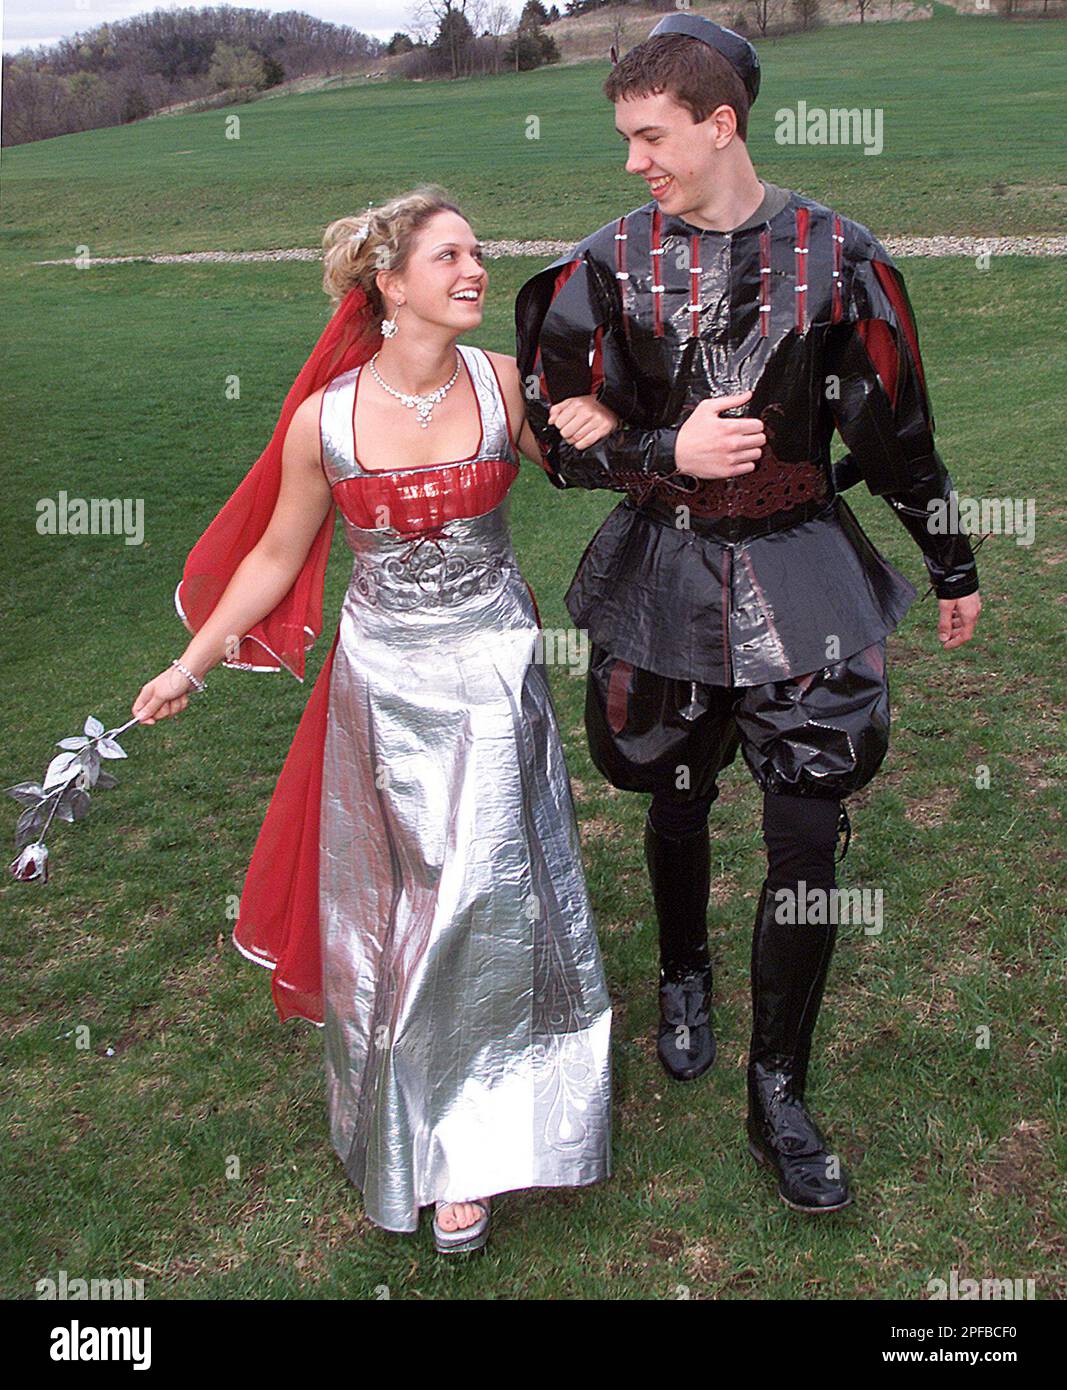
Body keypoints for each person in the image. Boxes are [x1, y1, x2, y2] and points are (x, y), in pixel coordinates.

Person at [515, 17, 981, 1213]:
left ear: (721, 124)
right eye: (622, 139)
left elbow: (892, 431)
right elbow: (553, 436)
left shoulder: (840, 258)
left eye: (649, 137)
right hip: (664, 570)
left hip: (801, 568)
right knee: (672, 785)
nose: (632, 163)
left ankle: (779, 1087)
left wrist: (948, 562)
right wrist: (660, 443)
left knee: (807, 828)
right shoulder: (604, 266)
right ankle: (683, 973)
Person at [132, 185, 621, 1253]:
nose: (474, 271)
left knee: (494, 891)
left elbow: (589, 471)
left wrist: (600, 419)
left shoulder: (501, 382)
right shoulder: (325, 419)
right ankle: (427, 1131)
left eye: (478, 253)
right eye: (449, 257)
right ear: (389, 284)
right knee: (404, 915)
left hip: (494, 671)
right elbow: (271, 554)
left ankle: (502, 1131)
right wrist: (189, 664)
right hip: (383, 687)